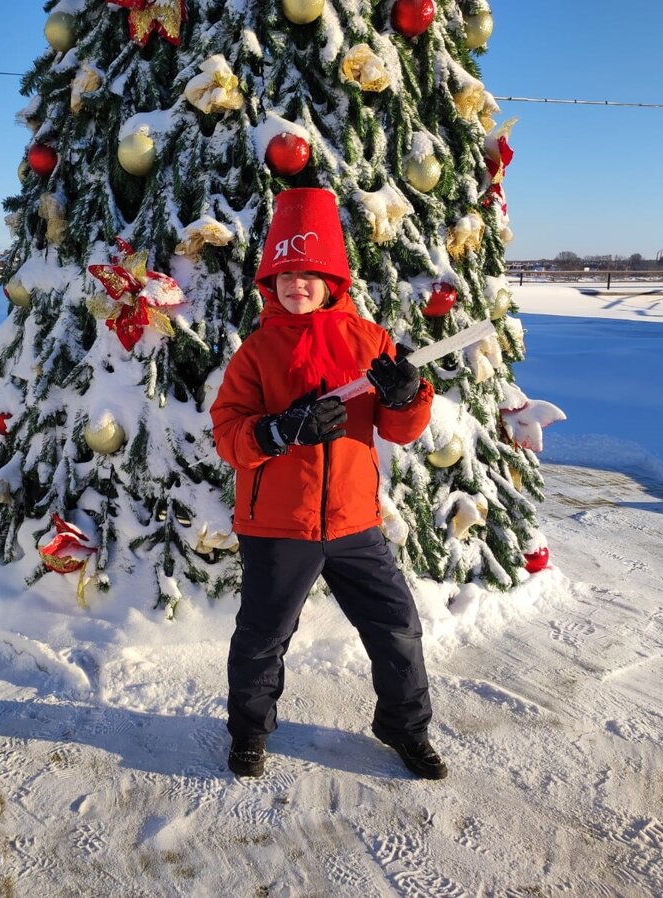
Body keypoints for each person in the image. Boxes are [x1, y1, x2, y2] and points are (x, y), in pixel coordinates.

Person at [209, 187, 446, 780]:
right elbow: (228, 433)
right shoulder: (257, 352)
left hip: (354, 522)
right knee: (263, 637)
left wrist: (406, 395)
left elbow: (401, 430)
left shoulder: (369, 342)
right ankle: (249, 733)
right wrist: (279, 430)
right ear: (270, 281)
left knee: (397, 628)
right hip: (277, 526)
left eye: (309, 274)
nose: (297, 285)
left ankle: (404, 726)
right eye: (285, 275)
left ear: (332, 279)